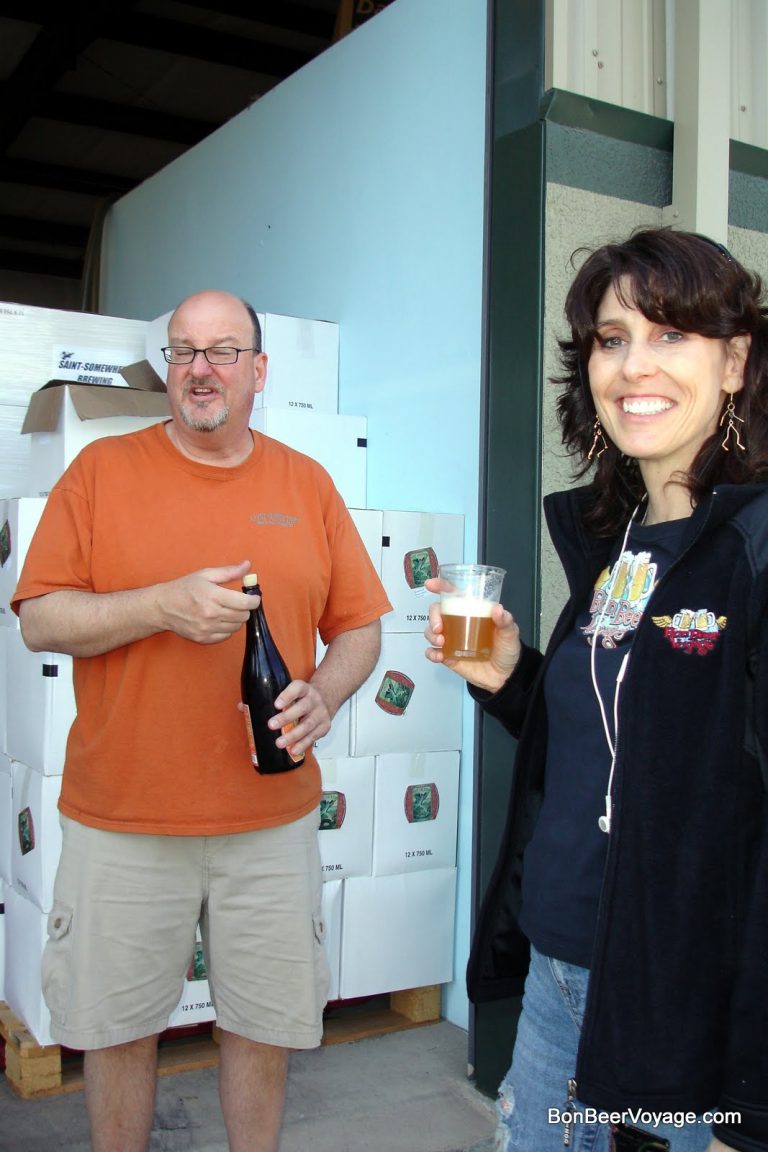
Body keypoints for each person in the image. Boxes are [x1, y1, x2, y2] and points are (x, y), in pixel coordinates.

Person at [12, 289, 392, 1152]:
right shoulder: (102, 472)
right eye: (183, 351)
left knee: (261, 1029)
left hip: (270, 823)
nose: (201, 369)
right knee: (117, 1031)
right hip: (123, 819)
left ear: (259, 370)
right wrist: (159, 606)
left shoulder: (305, 483)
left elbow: (361, 628)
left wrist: (326, 694)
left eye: (223, 351)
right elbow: (40, 617)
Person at [425, 228, 768, 1152]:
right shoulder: (618, 542)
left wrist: (750, 1105)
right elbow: (622, 734)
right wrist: (512, 678)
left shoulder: (755, 548)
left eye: (671, 335)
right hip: (558, 975)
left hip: (682, 1010)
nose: (634, 366)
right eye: (613, 339)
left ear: (735, 363)